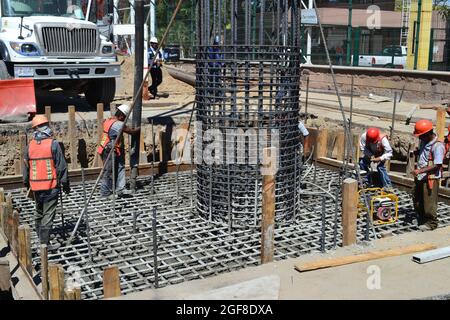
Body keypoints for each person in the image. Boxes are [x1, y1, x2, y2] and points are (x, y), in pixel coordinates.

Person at [23, 115, 70, 250]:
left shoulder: (29, 146)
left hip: (36, 187)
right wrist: (65, 184)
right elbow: (61, 167)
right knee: (48, 215)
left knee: (39, 211)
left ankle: (39, 236)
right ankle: (44, 244)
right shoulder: (53, 144)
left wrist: (27, 184)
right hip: (50, 186)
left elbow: (26, 168)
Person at [98, 104, 140, 198]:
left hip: (113, 148)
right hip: (108, 150)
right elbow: (131, 131)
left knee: (120, 167)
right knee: (108, 171)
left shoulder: (109, 120)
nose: (125, 120)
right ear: (121, 116)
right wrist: (138, 128)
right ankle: (105, 193)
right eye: (125, 118)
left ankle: (120, 188)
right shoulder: (118, 124)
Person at [411, 119, 445, 231]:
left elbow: (437, 165)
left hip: (430, 177)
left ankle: (431, 223)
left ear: (428, 133)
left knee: (429, 202)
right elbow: (425, 155)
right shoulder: (424, 141)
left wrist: (420, 171)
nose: (419, 138)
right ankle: (421, 219)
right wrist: (417, 152)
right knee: (417, 198)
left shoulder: (437, 146)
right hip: (421, 176)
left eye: (421, 135)